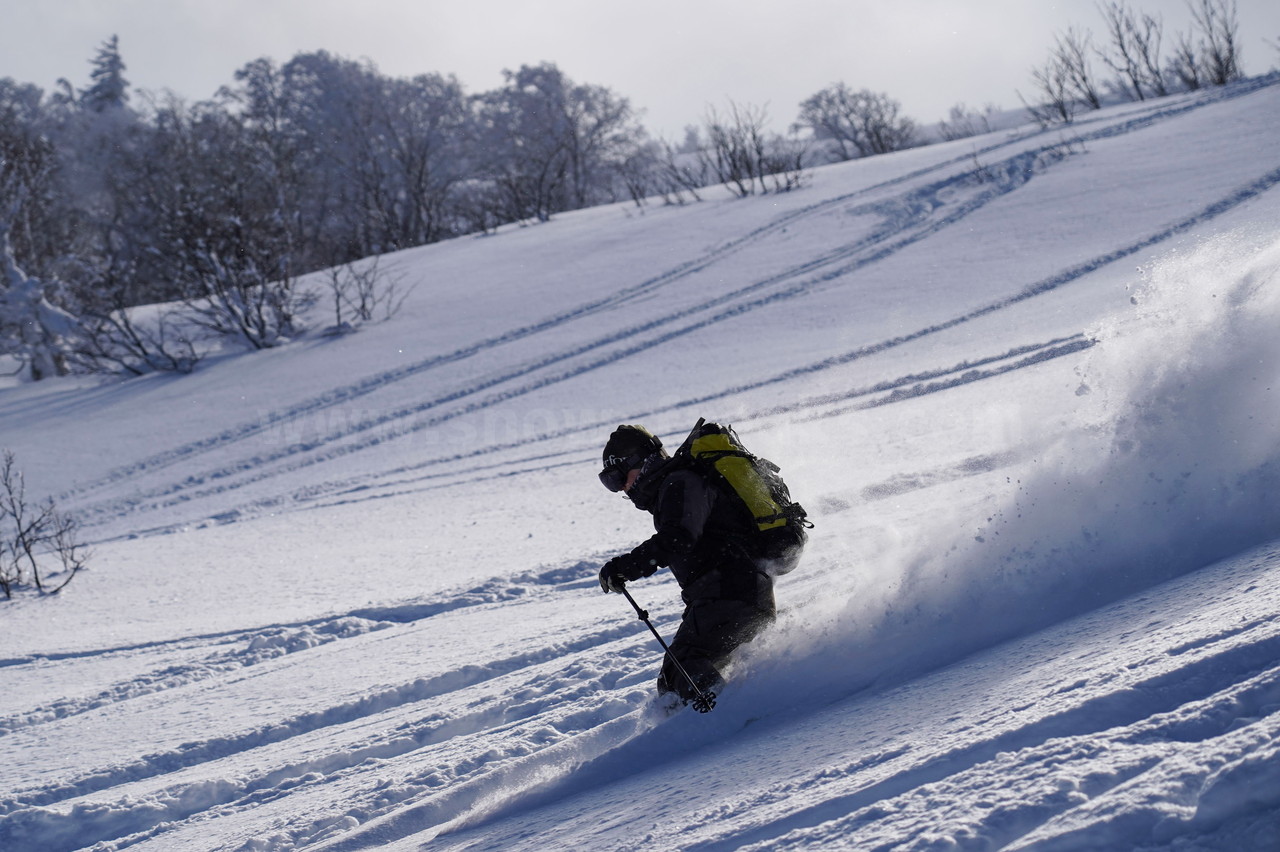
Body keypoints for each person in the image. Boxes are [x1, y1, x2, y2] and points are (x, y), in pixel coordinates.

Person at [597, 423, 780, 705]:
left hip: (730, 594)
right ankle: (749, 714)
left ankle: (726, 728)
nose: (621, 487)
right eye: (610, 482)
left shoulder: (682, 482)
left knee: (684, 675)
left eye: (618, 476)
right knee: (680, 675)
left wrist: (628, 565)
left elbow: (679, 537)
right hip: (730, 596)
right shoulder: (676, 485)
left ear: (643, 461)